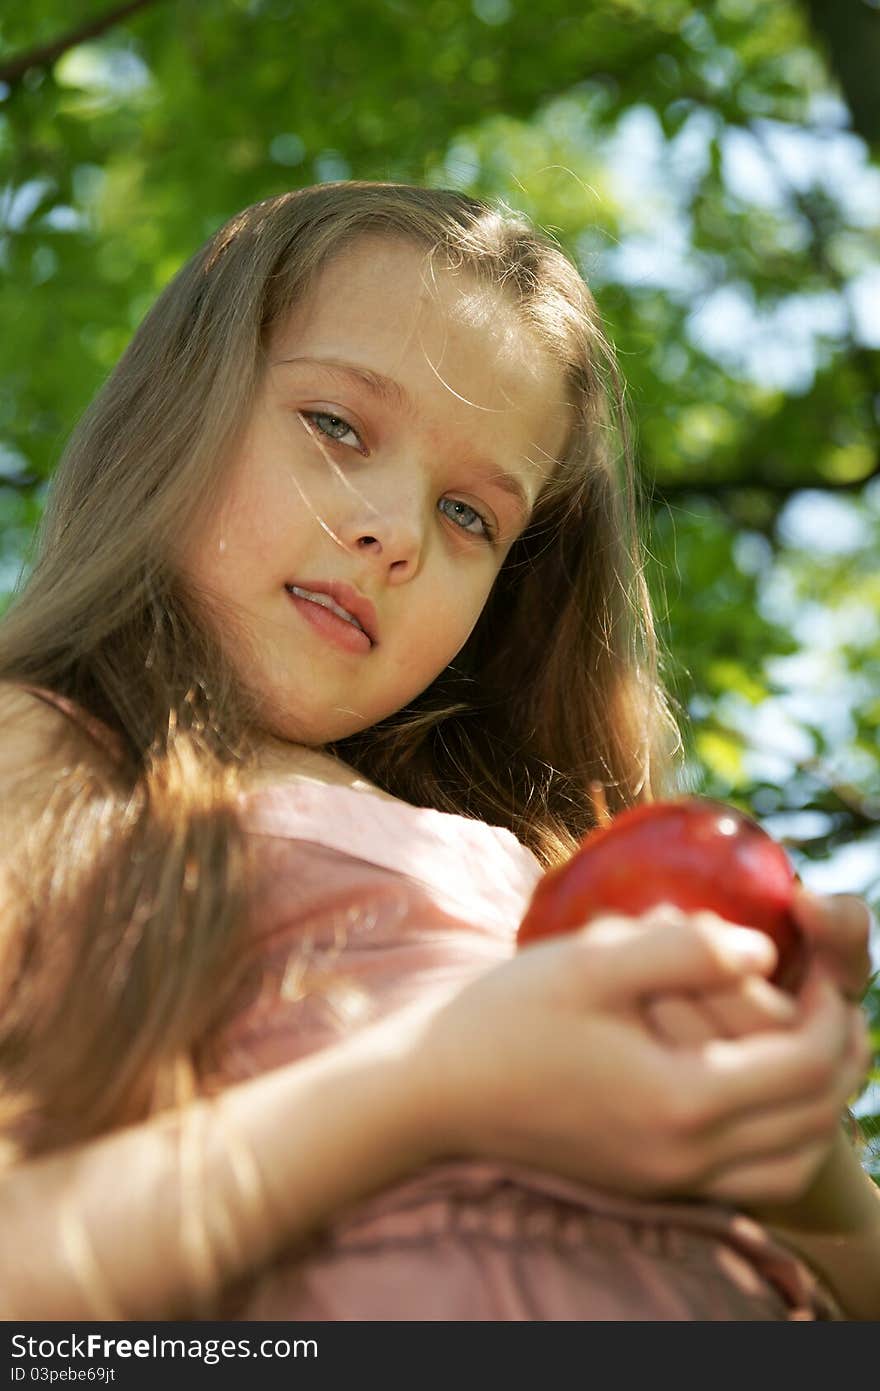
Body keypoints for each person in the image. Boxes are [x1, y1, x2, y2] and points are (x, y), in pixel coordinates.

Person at [0, 182, 877, 1322]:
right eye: (337, 424)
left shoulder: (541, 867)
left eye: (470, 515)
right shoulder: (48, 749)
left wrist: (803, 1180)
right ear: (179, 405)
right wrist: (430, 1084)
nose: (396, 533)